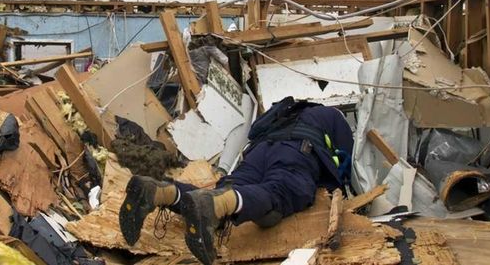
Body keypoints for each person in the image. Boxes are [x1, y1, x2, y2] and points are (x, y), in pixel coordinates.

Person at [118, 98, 354, 265]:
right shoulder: (333, 116)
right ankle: (219, 205)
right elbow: (344, 164)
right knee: (282, 190)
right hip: (295, 150)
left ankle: (162, 192)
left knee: (228, 190)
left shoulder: (280, 113)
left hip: (258, 153)